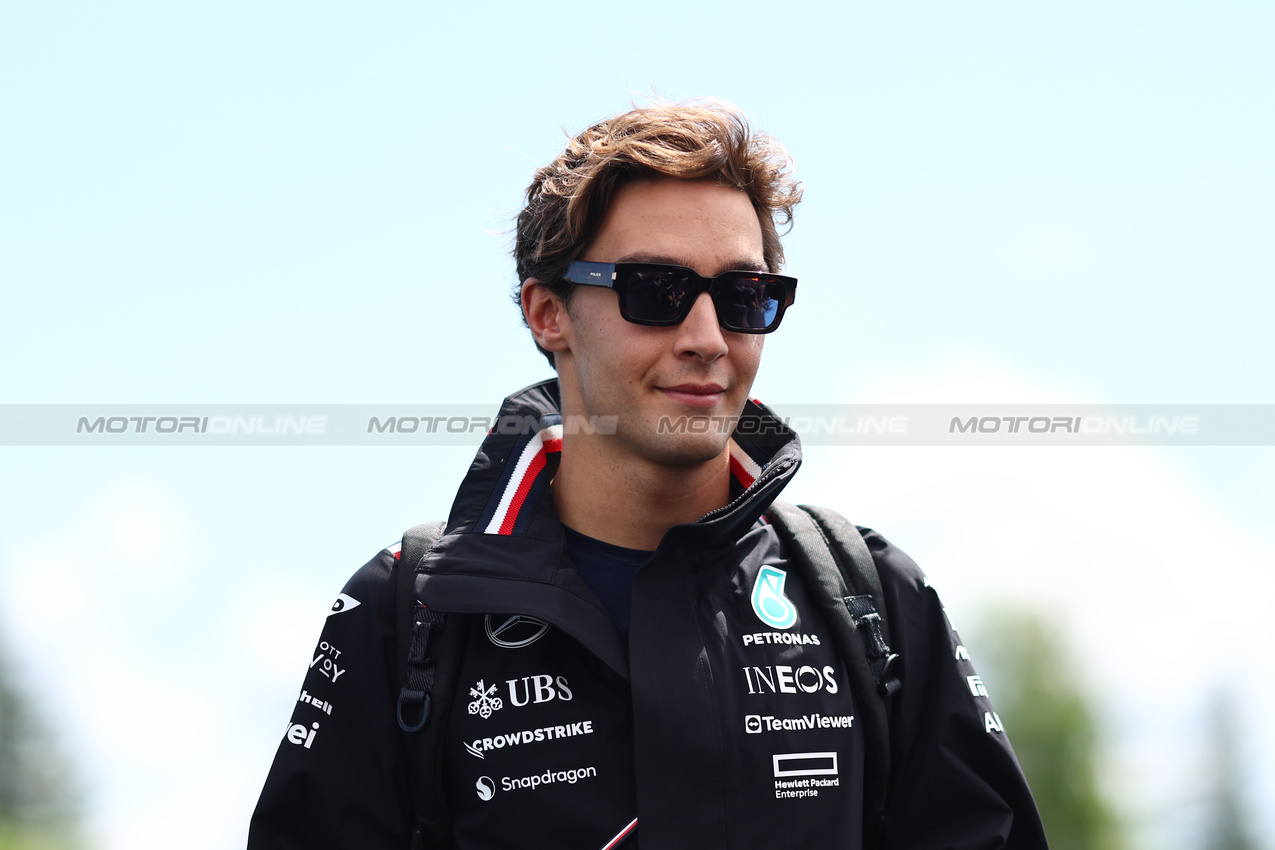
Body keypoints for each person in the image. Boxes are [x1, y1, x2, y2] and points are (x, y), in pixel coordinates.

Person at [248, 100, 1049, 849]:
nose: (706, 337)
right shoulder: (408, 611)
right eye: (656, 291)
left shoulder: (868, 593)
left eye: (743, 296)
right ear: (546, 312)